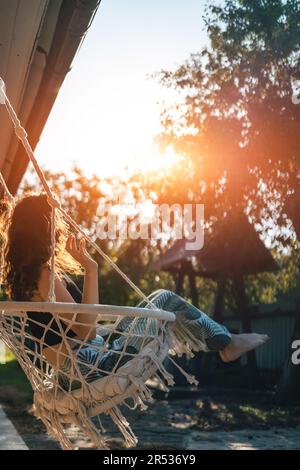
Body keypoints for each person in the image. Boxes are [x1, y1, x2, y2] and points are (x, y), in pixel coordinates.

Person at [0, 194, 269, 390]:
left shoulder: (23, 280)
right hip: (86, 367)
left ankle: (226, 342)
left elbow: (77, 330)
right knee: (164, 299)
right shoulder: (44, 274)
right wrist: (91, 269)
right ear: (43, 229)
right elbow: (87, 330)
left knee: (157, 305)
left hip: (73, 368)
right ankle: (227, 343)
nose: (58, 231)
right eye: (54, 225)